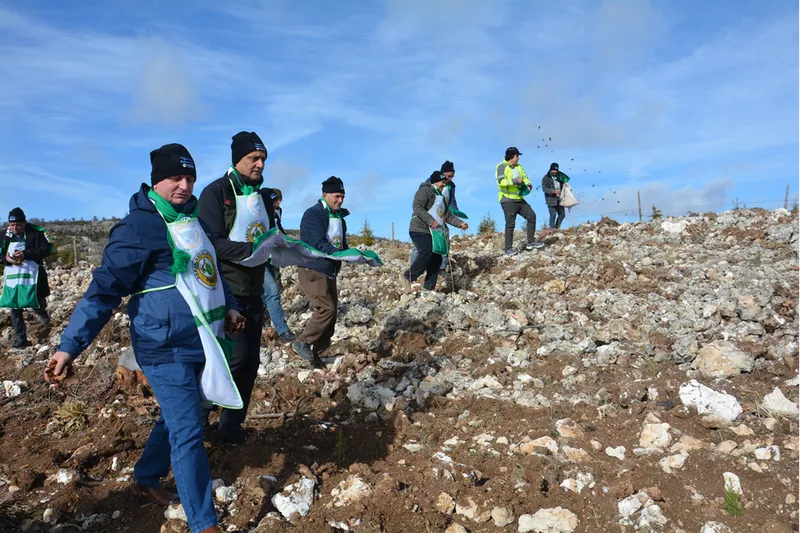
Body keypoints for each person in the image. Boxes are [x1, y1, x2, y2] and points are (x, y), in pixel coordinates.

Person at [45, 144, 239, 533]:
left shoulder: (191, 221)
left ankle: (146, 479)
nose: (184, 186)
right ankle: (204, 524)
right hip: (163, 345)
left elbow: (209, 271)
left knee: (180, 416)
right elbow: (103, 291)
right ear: (156, 181)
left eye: (190, 179)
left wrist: (230, 304)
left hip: (200, 338)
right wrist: (69, 347)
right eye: (175, 179)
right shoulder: (139, 226)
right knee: (188, 430)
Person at [198, 131, 277, 444]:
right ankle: (199, 415)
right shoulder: (215, 193)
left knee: (251, 363)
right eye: (253, 159)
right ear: (237, 160)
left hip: (254, 289)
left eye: (262, 159)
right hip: (224, 292)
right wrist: (251, 250)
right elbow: (211, 243)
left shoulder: (263, 197)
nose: (259, 164)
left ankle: (230, 427)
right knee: (233, 359)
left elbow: (270, 236)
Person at [292, 177, 349, 364]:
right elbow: (317, 243)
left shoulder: (340, 218)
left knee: (332, 316)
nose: (340, 200)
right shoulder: (313, 215)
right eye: (337, 196)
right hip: (312, 269)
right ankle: (302, 342)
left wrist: (353, 254)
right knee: (326, 308)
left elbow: (342, 244)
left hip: (329, 272)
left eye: (342, 196)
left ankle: (321, 355)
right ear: (325, 194)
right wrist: (339, 254)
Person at [402, 171, 468, 291]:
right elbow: (417, 207)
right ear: (436, 181)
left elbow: (447, 216)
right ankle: (407, 277)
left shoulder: (441, 198)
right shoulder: (424, 191)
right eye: (443, 182)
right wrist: (431, 221)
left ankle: (428, 288)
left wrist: (460, 224)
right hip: (419, 229)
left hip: (434, 232)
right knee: (426, 252)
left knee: (437, 259)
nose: (444, 185)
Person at [0, 207, 52, 348]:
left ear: (25, 223)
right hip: (13, 277)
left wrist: (26, 254)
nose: (15, 228)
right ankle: (20, 339)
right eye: (12, 225)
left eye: (18, 225)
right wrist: (6, 259)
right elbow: (0, 254)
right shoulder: (3, 235)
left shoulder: (37, 233)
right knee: (14, 306)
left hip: (33, 275)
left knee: (37, 301)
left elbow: (46, 249)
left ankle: (44, 318)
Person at [409, 160, 462, 271]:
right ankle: (413, 268)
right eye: (449, 176)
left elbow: (451, 200)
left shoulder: (452, 186)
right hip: (427, 219)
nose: (450, 179)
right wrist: (428, 219)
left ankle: (441, 268)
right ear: (443, 174)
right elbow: (420, 203)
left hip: (442, 217)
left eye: (452, 176)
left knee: (444, 240)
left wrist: (455, 211)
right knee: (421, 246)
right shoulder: (430, 182)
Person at [495, 146, 545, 256]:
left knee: (532, 216)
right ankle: (508, 248)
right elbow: (501, 181)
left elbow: (525, 178)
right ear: (512, 156)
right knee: (510, 224)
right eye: (517, 156)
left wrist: (529, 185)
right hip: (507, 200)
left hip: (519, 199)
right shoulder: (501, 167)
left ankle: (531, 242)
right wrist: (514, 181)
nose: (518, 158)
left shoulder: (519, 167)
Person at [262, 188, 295, 342]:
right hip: (260, 259)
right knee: (273, 291)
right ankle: (283, 331)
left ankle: (257, 321)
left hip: (273, 258)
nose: (278, 203)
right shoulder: (258, 214)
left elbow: (279, 230)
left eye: (279, 200)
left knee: (266, 293)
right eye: (275, 201)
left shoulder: (277, 212)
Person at [542, 162, 571, 229]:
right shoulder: (546, 178)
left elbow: (564, 187)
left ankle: (557, 227)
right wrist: (554, 191)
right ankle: (552, 229)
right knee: (553, 215)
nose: (554, 171)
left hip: (559, 199)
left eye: (556, 170)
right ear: (550, 170)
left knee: (562, 214)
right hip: (551, 200)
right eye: (553, 170)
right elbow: (544, 189)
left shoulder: (560, 177)